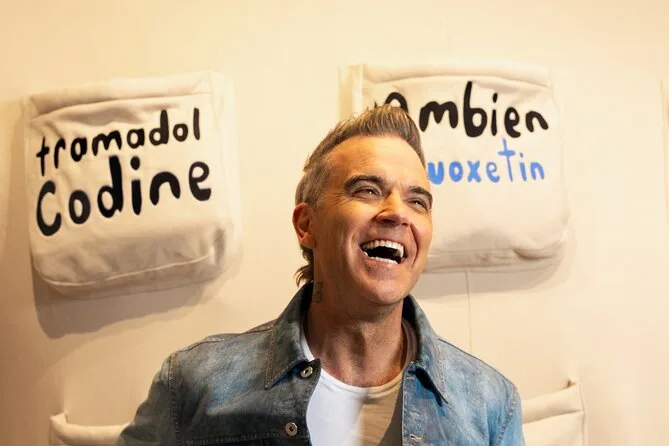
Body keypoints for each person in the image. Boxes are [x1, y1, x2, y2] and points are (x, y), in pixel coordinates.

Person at [117, 105, 525, 446]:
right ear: (306, 225)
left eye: (417, 201)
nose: (398, 212)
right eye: (367, 190)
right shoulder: (192, 386)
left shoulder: (491, 405)